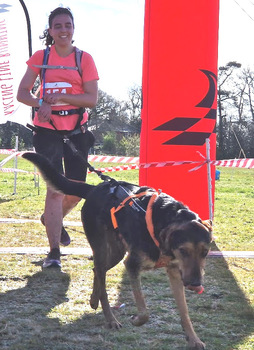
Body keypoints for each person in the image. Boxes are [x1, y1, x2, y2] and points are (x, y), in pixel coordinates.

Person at [17, 7, 99, 268]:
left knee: (74, 191)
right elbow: (22, 93)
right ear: (50, 31)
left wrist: (61, 99)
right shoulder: (41, 57)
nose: (64, 30)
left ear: (73, 29)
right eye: (58, 26)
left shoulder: (84, 59)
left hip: (76, 130)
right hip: (47, 131)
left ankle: (51, 219)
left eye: (68, 25)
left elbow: (91, 99)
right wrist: (40, 102)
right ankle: (54, 252)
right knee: (54, 190)